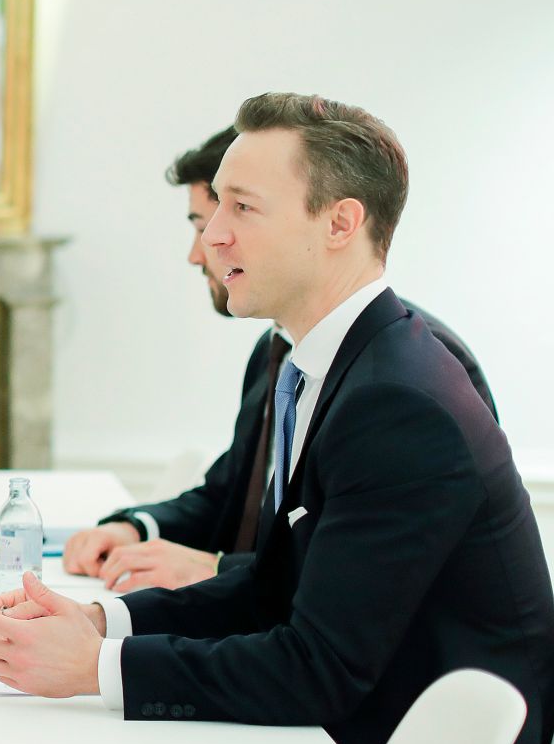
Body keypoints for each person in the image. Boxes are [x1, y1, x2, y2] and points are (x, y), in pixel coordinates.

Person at [0, 92, 554, 744]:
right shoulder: (329, 366)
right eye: (215, 211)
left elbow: (316, 664)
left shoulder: (400, 399)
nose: (210, 238)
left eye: (241, 209)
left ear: (341, 222)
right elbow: (275, 586)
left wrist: (93, 670)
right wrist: (104, 621)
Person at [63, 126, 496, 592]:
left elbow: (352, 586)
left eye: (238, 212)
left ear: (337, 224)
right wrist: (134, 526)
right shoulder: (281, 353)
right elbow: (234, 494)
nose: (204, 248)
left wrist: (215, 570)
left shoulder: (409, 376)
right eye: (207, 224)